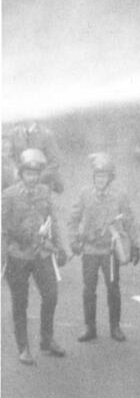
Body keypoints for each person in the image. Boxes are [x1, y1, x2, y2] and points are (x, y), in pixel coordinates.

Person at [2, 149, 68, 365]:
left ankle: (46, 339)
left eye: (36, 173)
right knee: (20, 302)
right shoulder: (9, 194)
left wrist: (60, 247)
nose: (32, 177)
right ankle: (23, 347)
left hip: (41, 252)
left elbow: (52, 221)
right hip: (18, 255)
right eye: (28, 173)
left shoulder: (45, 192)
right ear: (21, 173)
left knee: (51, 295)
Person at [68, 153, 140, 343]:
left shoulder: (120, 195)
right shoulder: (85, 193)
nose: (100, 179)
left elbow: (129, 221)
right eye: (97, 175)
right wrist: (73, 241)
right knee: (88, 289)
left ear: (110, 178)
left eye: (104, 176)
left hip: (110, 250)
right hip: (90, 249)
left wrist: (135, 245)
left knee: (113, 288)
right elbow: (73, 219)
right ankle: (89, 327)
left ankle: (115, 327)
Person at [8, 120, 64, 193]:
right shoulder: (14, 134)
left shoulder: (46, 134)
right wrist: (18, 172)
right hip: (20, 181)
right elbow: (10, 156)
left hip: (43, 180)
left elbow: (55, 161)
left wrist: (37, 177)